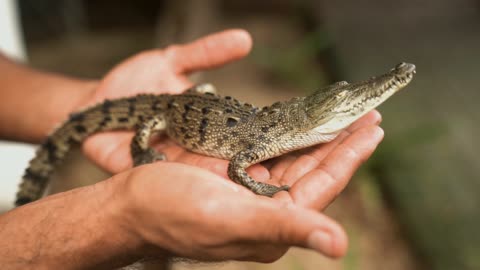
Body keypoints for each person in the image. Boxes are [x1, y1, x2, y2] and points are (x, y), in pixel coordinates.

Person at [0, 29, 383, 269]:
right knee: (149, 125)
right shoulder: (265, 139)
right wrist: (260, 187)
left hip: (198, 108)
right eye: (345, 97)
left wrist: (88, 96)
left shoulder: (282, 128)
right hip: (169, 113)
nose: (354, 100)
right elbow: (238, 168)